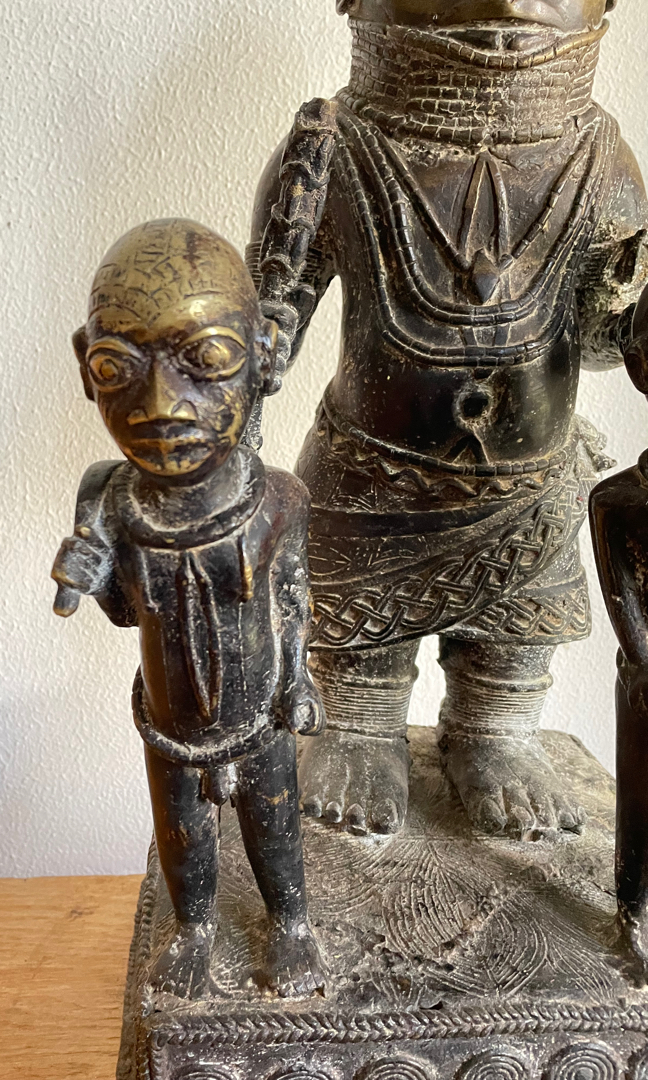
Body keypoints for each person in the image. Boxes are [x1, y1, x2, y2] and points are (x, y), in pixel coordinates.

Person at [248, 0, 648, 840]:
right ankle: (361, 726)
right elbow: (269, 326)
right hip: (370, 472)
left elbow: (604, 342)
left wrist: (628, 301)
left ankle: (494, 732)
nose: (504, 10)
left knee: (513, 641)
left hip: (529, 483)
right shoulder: (332, 150)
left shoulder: (599, 155)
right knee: (360, 639)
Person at [51, 219, 326, 999]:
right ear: (86, 365)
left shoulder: (276, 501)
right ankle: (194, 928)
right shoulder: (109, 500)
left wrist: (298, 678)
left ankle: (291, 923)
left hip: (260, 711)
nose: (162, 403)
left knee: (275, 824)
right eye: (119, 366)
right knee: (181, 833)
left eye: (206, 360)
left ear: (265, 354)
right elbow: (122, 613)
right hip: (168, 720)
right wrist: (92, 576)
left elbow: (294, 597)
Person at [590, 287, 648, 977]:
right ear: (637, 365)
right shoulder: (619, 499)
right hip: (645, 689)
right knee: (640, 807)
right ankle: (634, 907)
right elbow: (623, 602)